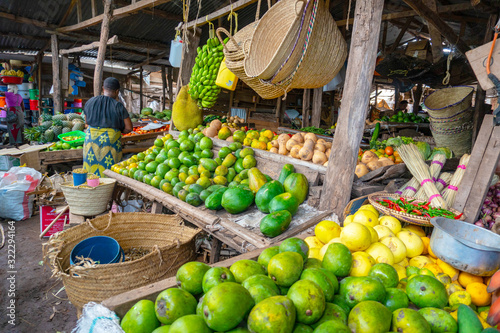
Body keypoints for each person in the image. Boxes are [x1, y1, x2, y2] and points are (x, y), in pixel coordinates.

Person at [83, 77, 132, 176]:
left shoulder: (90, 102)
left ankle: (91, 188)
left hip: (90, 143)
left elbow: (86, 122)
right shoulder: (118, 106)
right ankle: (107, 190)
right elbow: (129, 128)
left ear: (103, 88)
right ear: (117, 91)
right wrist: (118, 130)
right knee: (109, 173)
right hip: (110, 144)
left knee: (90, 172)